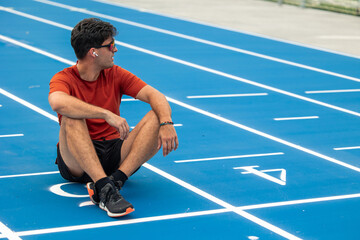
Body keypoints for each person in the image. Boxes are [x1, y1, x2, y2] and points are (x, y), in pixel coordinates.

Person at [48, 18, 179, 218]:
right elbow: (57, 102)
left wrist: (166, 122)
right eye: (111, 46)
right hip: (77, 160)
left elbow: (156, 96)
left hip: (114, 152)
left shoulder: (115, 73)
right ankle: (105, 188)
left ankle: (115, 181)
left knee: (157, 114)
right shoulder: (63, 78)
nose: (115, 50)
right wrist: (105, 113)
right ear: (94, 52)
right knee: (71, 115)